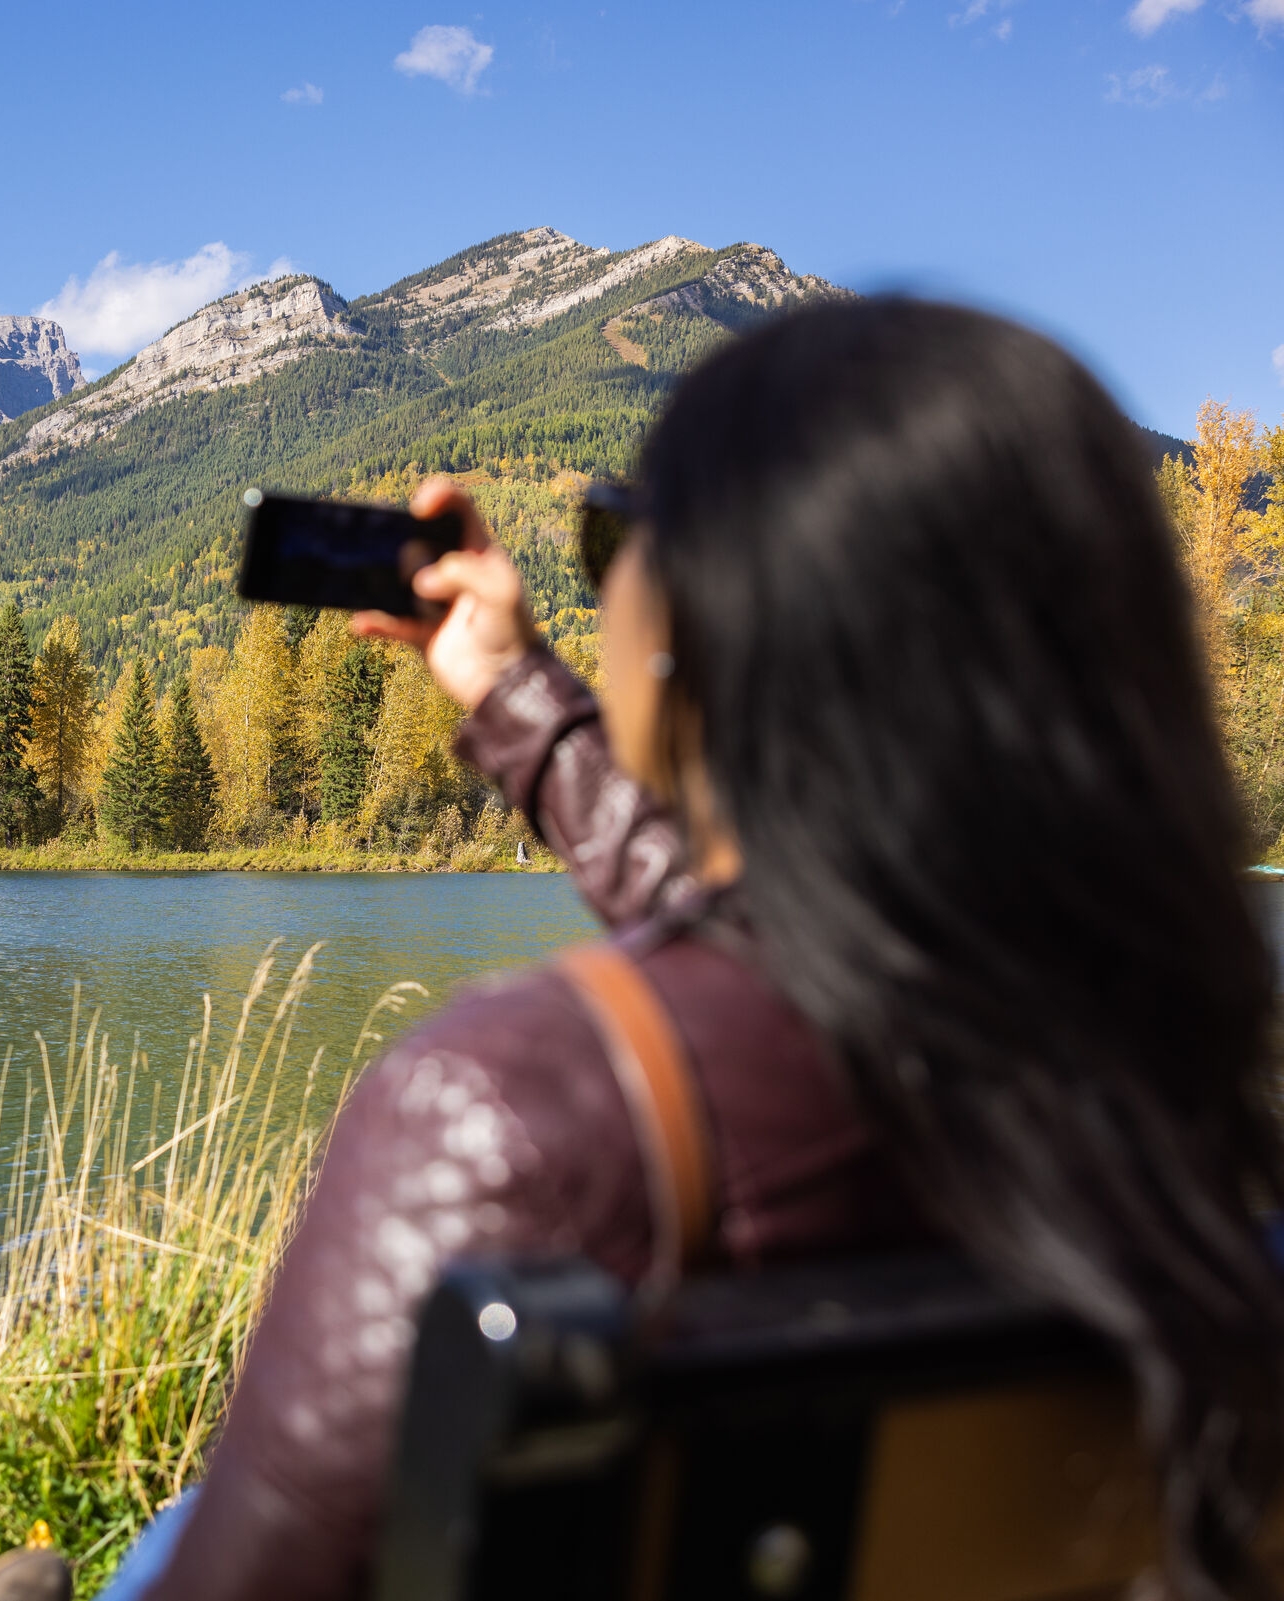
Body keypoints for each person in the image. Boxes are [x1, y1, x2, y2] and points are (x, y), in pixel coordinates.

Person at [116, 298, 1284, 1601]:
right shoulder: (1176, 1064)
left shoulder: (492, 1113)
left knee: (168, 1536)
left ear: (705, 631)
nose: (605, 583)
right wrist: (509, 685)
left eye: (615, 539)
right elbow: (789, 954)